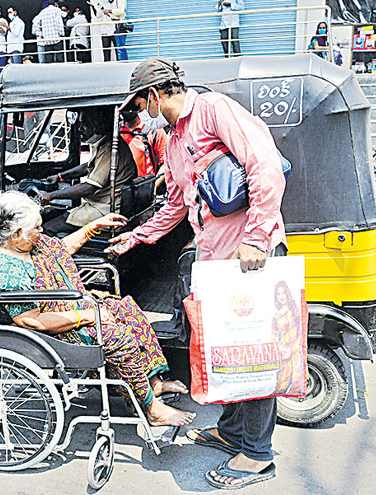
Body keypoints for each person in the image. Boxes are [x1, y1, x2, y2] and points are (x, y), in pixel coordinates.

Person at [107, 57, 287, 490]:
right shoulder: (171, 141)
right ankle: (232, 431)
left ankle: (257, 456)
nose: (140, 110)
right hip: (215, 258)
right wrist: (138, 237)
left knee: (252, 355)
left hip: (248, 255)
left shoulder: (213, 110)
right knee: (226, 351)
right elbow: (175, 204)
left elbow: (263, 165)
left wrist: (258, 237)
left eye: (138, 101)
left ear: (154, 94)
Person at [0, 191, 196, 427]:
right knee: (119, 338)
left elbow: (60, 250)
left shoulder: (28, 245)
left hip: (68, 310)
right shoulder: (5, 268)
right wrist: (85, 317)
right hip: (50, 330)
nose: (41, 232)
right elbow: (31, 321)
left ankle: (153, 381)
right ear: (16, 234)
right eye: (37, 228)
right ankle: (151, 409)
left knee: (126, 310)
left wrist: (92, 227)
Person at [41, 106, 137, 236]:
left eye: (85, 125)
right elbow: (88, 166)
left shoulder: (109, 149)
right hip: (100, 203)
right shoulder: (103, 144)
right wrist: (60, 176)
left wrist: (51, 196)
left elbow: (89, 187)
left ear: (98, 125)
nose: (80, 129)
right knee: (53, 214)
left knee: (47, 228)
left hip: (105, 207)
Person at [271, 281, 304, 395]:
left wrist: (293, 349)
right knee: (281, 384)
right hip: (283, 354)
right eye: (278, 294)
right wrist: (281, 348)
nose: (281, 297)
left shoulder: (294, 311)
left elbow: (300, 331)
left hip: (295, 352)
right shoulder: (276, 316)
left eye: (283, 293)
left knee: (295, 382)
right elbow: (273, 337)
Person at [119, 104, 167, 180]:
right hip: (121, 185)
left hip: (145, 184)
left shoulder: (154, 131)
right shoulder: (116, 132)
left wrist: (154, 185)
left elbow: (166, 163)